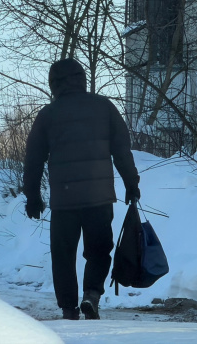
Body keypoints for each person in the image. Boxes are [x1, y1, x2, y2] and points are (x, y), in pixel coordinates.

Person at [23, 58, 141, 321]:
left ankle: (68, 308)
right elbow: (121, 151)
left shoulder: (48, 115)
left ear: (54, 85)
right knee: (99, 250)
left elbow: (33, 159)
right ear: (82, 79)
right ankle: (92, 296)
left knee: (63, 255)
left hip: (64, 201)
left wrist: (32, 196)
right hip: (99, 198)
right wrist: (131, 183)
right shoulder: (104, 107)